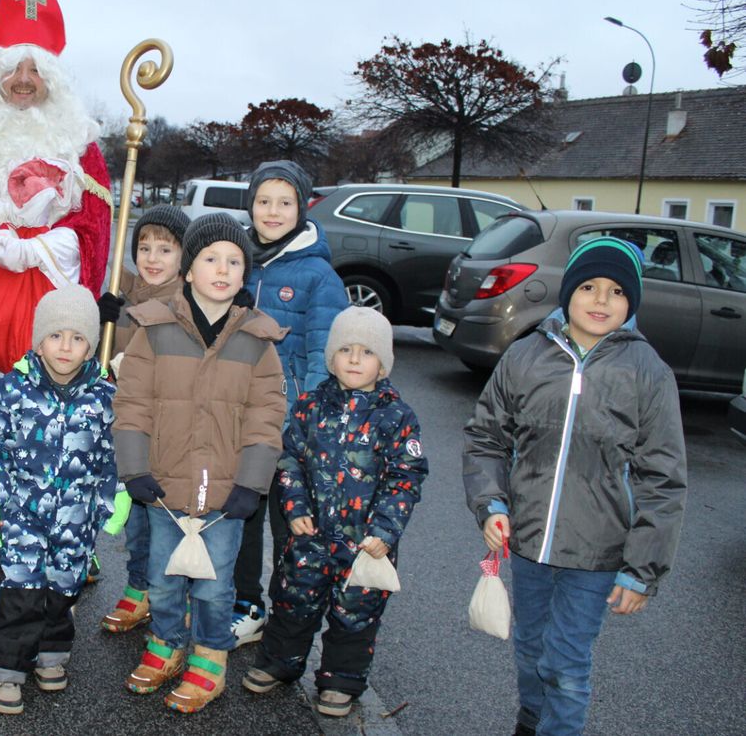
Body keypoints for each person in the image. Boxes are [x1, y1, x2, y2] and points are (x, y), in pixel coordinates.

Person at [464, 237, 687, 736]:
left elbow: (663, 477)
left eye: (616, 291)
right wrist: (491, 503)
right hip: (528, 541)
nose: (601, 300)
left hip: (597, 552)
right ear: (568, 293)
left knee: (565, 663)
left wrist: (642, 569)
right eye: (589, 287)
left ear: (632, 302)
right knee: (530, 649)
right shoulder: (525, 356)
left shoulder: (648, 373)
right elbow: (486, 438)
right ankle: (531, 719)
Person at [0, 0, 111, 570]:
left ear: (53, 77)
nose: (24, 80)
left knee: (61, 423)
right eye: (14, 68)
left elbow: (94, 230)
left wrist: (35, 247)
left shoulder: (80, 144)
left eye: (36, 69)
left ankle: (68, 532)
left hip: (54, 310)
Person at [113, 214, 287, 714]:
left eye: (234, 261)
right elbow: (133, 404)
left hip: (226, 494)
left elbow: (266, 416)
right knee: (163, 579)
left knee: (214, 589)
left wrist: (252, 483)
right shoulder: (155, 329)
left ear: (245, 273)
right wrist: (135, 469)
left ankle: (209, 660)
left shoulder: (256, 340)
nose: (223, 269)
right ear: (189, 270)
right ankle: (166, 644)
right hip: (164, 487)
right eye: (211, 258)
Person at [243, 307, 428, 717]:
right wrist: (294, 507)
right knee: (292, 601)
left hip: (365, 545)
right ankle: (279, 663)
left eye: (367, 352)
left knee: (356, 614)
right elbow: (289, 461)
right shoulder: (309, 407)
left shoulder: (397, 417)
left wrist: (385, 531)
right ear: (331, 357)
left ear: (384, 363)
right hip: (308, 537)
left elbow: (406, 477)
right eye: (346, 350)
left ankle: (341, 680)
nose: (355, 359)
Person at [0, 286, 126, 714]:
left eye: (77, 338)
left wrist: (114, 507)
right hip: (22, 513)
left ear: (90, 347)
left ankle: (51, 651)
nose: (65, 347)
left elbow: (112, 458)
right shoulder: (11, 390)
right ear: (38, 341)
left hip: (76, 518)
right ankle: (6, 669)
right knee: (22, 589)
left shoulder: (104, 397)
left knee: (64, 587)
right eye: (55, 336)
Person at [231, 159, 349, 648]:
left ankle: (286, 612)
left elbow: (326, 353)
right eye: (263, 201)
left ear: (302, 208)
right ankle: (245, 603)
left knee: (289, 522)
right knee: (241, 515)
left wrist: (307, 422)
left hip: (287, 423)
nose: (273, 211)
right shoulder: (235, 259)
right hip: (236, 416)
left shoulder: (318, 275)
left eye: (285, 202)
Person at [95, 204, 189, 634]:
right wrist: (103, 320)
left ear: (184, 256)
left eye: (165, 250)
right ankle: (139, 586)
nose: (152, 258)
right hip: (129, 429)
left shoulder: (184, 301)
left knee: (162, 519)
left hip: (166, 431)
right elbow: (104, 358)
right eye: (145, 248)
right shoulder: (124, 291)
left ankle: (166, 592)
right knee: (134, 518)